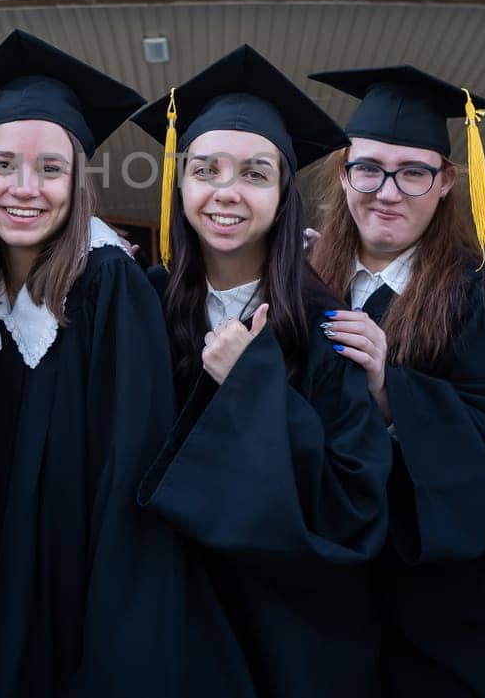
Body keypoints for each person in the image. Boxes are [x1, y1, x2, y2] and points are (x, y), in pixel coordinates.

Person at [130, 46, 391, 697]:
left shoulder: (326, 323)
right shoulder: (139, 306)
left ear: (282, 195)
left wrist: (254, 388)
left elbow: (355, 504)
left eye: (254, 172)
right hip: (162, 615)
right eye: (206, 169)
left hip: (286, 635)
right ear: (181, 183)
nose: (226, 190)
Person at [0, 29, 179, 698]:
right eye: (2, 165)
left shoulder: (108, 290)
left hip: (85, 612)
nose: (23, 188)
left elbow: (135, 475)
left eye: (49, 168)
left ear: (78, 181)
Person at [307, 65, 485, 698]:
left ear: (447, 181)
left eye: (413, 171)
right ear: (343, 176)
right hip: (327, 610)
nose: (386, 191)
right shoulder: (301, 290)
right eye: (367, 169)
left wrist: (391, 392)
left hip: (457, 621)